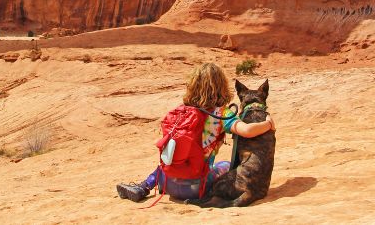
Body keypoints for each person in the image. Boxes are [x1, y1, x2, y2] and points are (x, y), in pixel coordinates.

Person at [116, 63, 276, 202]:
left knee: (169, 163)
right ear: (221, 86)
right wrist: (268, 124)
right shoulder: (221, 113)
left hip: (167, 183)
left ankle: (144, 186)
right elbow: (247, 131)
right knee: (226, 165)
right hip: (195, 188)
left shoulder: (182, 112)